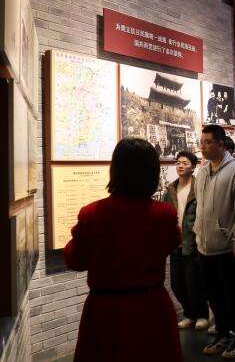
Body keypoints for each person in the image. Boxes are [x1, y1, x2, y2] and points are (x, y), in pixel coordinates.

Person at [64, 138, 181, 362]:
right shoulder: (165, 214)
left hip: (106, 312)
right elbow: (172, 243)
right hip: (152, 307)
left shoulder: (92, 214)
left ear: (115, 169)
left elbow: (75, 260)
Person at [195, 125, 235, 359]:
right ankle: (223, 333)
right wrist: (198, 235)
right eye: (201, 142)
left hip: (228, 246)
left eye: (208, 142)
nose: (203, 146)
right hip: (205, 246)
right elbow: (200, 208)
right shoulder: (202, 172)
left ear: (221, 144)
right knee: (214, 295)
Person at [164, 151, 209, 330]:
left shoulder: (199, 187)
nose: (180, 166)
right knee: (177, 284)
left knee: (195, 283)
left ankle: (202, 315)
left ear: (193, 167)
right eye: (178, 162)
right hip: (176, 243)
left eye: (185, 163)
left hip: (194, 241)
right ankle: (189, 314)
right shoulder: (171, 189)